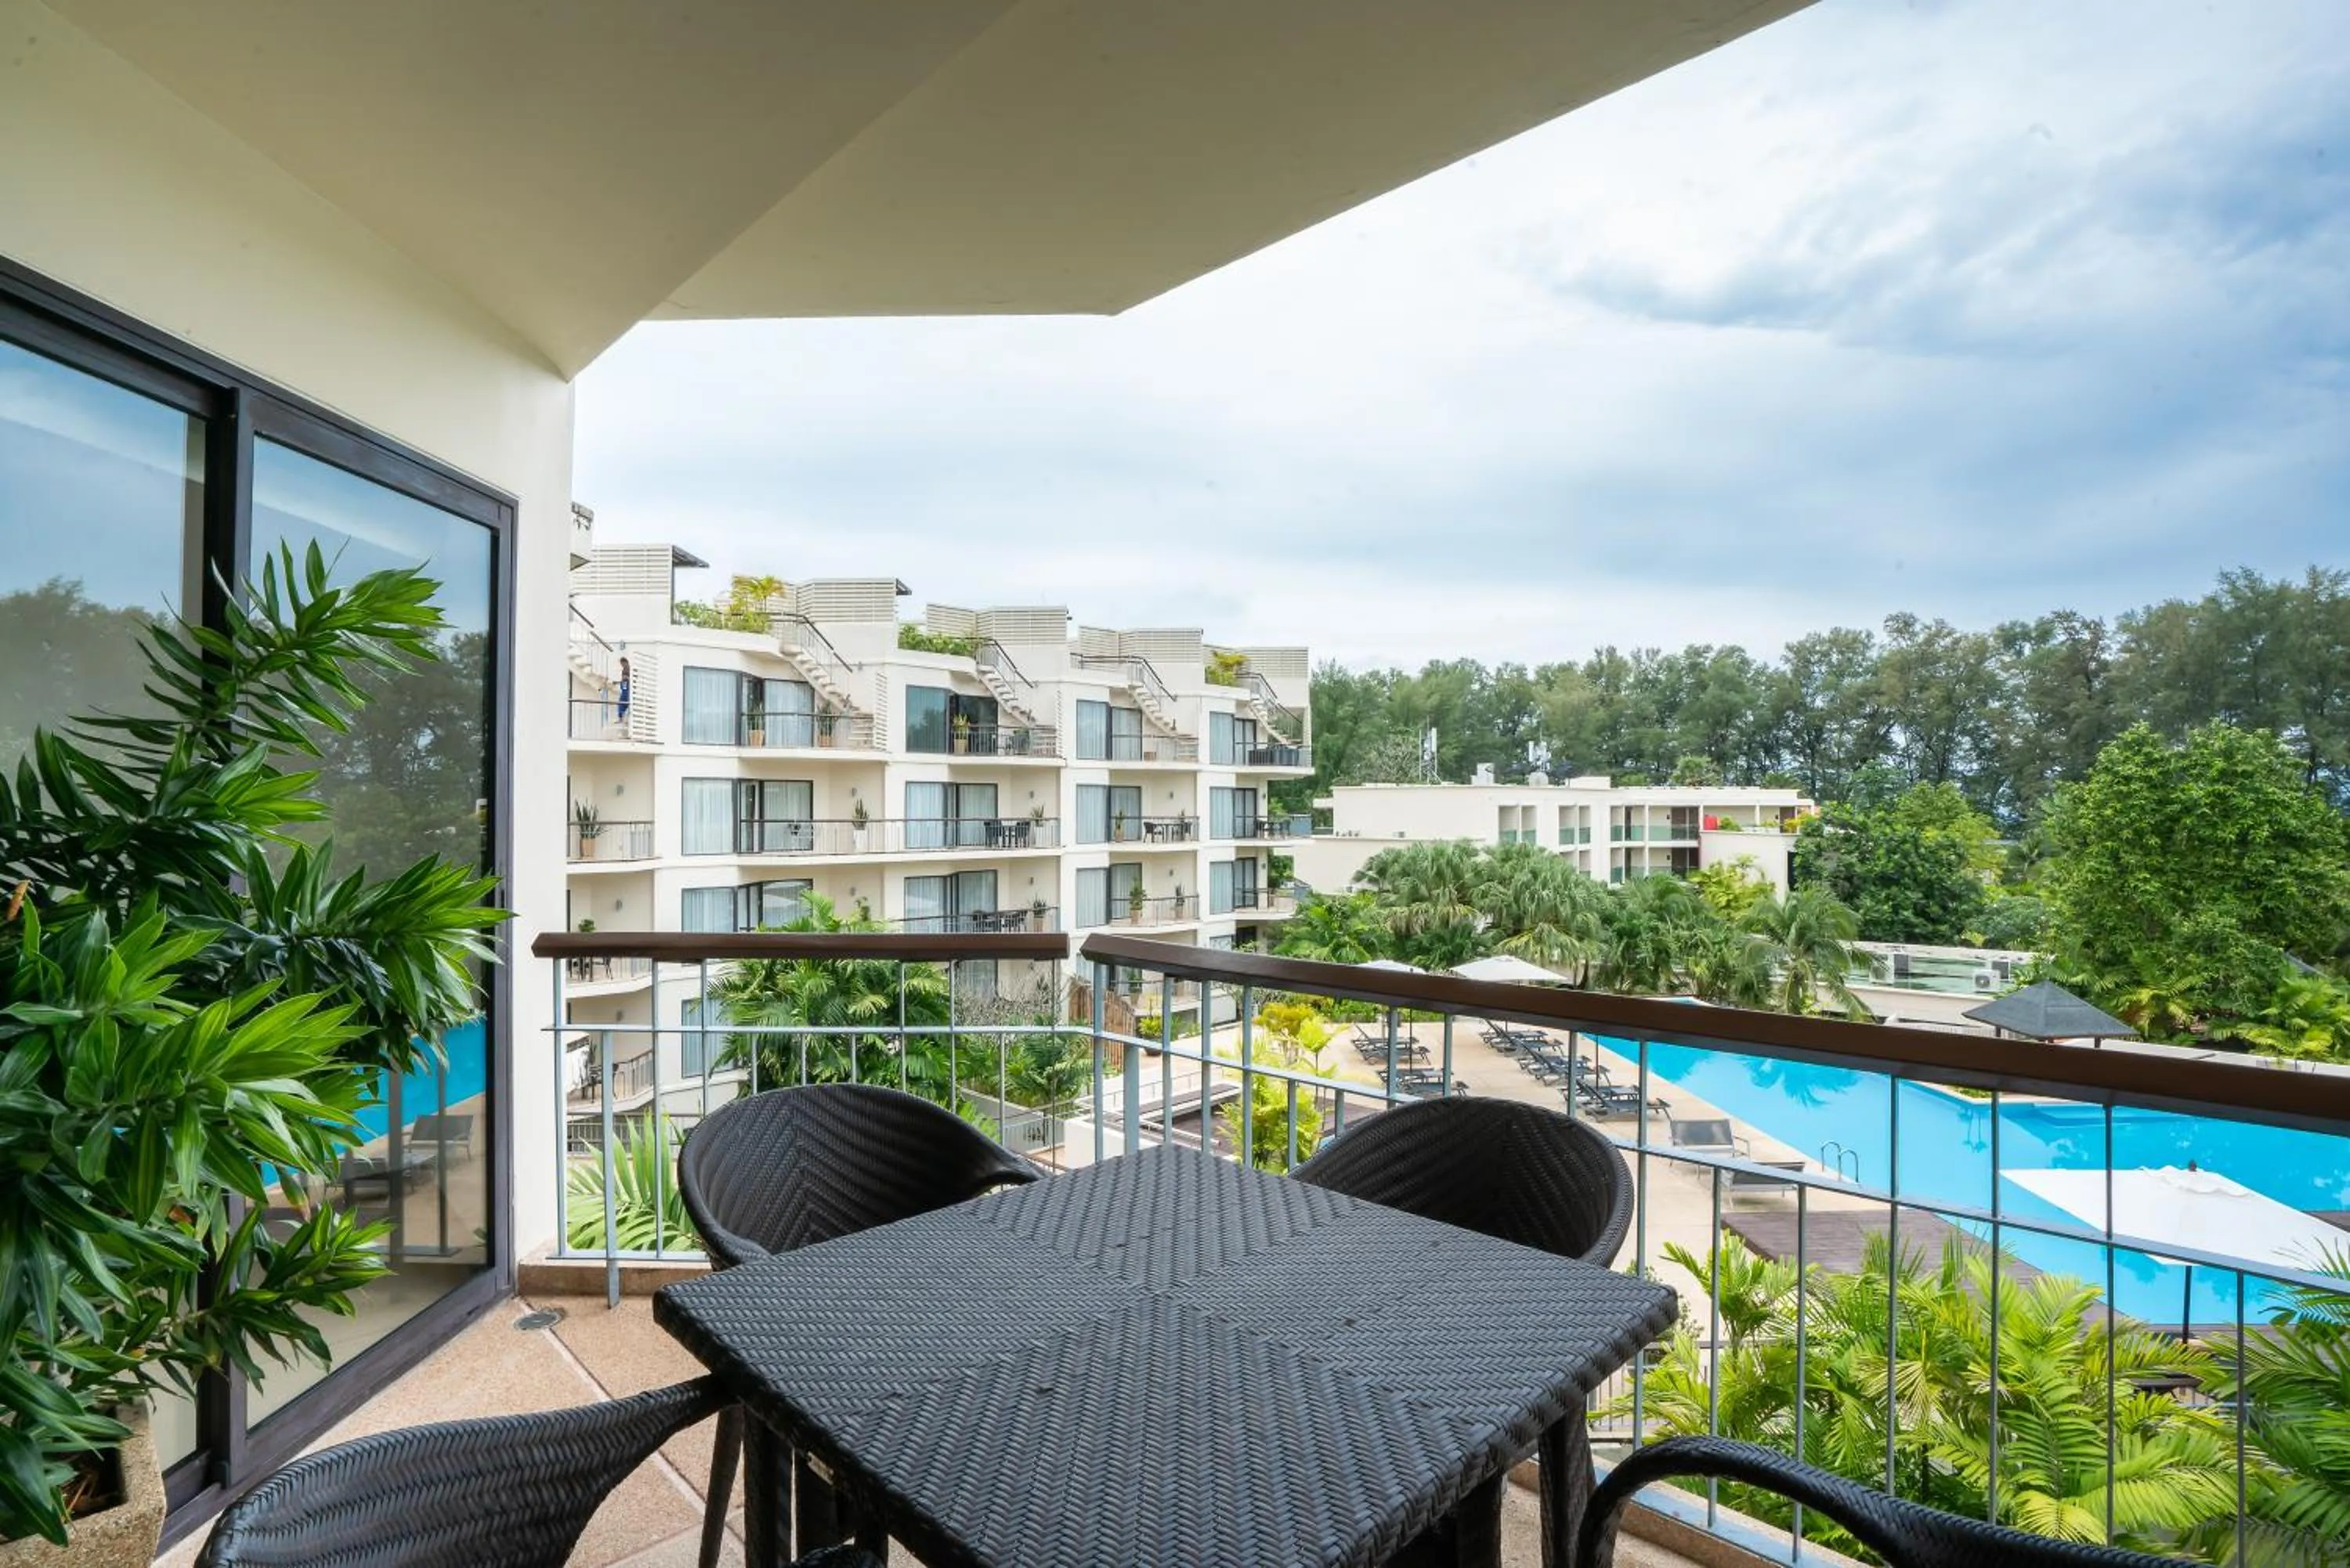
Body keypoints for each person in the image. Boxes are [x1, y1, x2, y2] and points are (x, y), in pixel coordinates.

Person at [615, 656, 631, 726]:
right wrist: (618, 682)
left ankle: (622, 719)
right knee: (623, 703)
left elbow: (627, 679)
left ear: (625, 662)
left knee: (623, 703)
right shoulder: (626, 669)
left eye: (622, 663)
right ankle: (623, 719)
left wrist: (625, 679)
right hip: (625, 687)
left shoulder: (628, 669)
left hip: (626, 688)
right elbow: (624, 680)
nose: (621, 665)